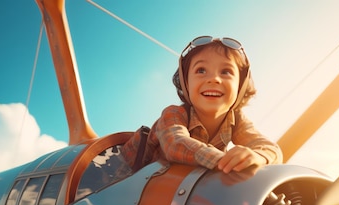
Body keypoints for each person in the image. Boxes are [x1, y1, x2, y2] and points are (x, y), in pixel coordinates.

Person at [120, 36, 282, 176]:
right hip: (121, 176)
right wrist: (224, 162)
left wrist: (257, 156)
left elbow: (268, 147)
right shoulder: (175, 114)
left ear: (240, 86)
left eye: (226, 72)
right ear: (186, 84)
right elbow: (175, 144)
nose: (214, 79)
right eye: (201, 70)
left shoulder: (237, 120)